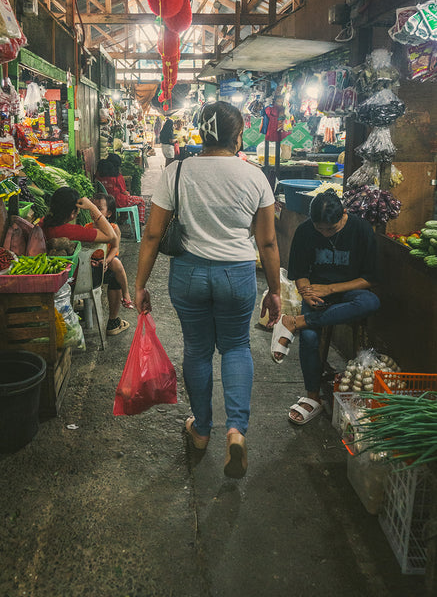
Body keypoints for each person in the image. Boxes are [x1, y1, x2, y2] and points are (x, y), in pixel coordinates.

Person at [135, 101, 282, 479]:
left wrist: (139, 284)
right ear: (238, 136)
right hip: (237, 276)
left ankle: (201, 430)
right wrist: (275, 290)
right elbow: (267, 243)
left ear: (201, 133)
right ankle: (236, 431)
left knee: (198, 350)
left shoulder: (177, 171)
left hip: (189, 276)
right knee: (236, 347)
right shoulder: (255, 177)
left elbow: (152, 234)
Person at [271, 189, 380, 425]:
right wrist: (306, 292)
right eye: (319, 228)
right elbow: (300, 272)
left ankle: (296, 322)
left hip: (348, 292)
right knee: (310, 337)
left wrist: (330, 289)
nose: (324, 233)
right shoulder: (305, 230)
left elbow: (369, 279)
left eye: (330, 229)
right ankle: (312, 397)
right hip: (316, 295)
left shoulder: (361, 230)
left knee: (370, 301)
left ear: (344, 214)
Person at [41, 188, 128, 336]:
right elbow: (112, 237)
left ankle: (82, 305)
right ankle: (113, 322)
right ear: (72, 213)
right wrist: (93, 208)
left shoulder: (43, 223)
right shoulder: (71, 231)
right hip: (73, 281)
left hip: (54, 277)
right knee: (114, 275)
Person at [84, 192, 135, 335]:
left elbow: (115, 248)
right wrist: (90, 260)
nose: (95, 211)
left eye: (99, 208)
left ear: (109, 213)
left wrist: (106, 261)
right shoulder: (87, 227)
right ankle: (113, 322)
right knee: (114, 271)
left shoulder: (114, 228)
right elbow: (83, 248)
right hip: (90, 267)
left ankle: (126, 293)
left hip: (106, 263)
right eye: (93, 207)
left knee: (116, 264)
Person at [96, 153, 146, 224]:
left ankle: (123, 218)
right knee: (141, 201)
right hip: (119, 201)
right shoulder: (117, 177)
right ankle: (141, 221)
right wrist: (128, 194)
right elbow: (123, 191)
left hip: (106, 202)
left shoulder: (98, 176)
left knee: (126, 199)